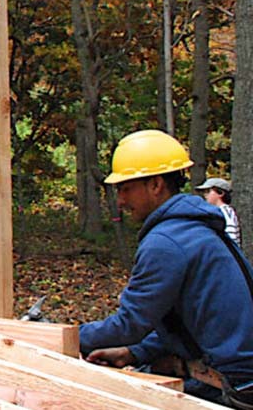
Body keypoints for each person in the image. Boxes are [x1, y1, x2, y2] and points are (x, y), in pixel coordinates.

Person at [80, 130, 253, 407]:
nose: (121, 201)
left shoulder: (167, 242)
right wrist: (133, 353)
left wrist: (66, 336)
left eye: (125, 189)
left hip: (234, 386)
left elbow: (130, 323)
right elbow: (187, 321)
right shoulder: (193, 230)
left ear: (156, 184)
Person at [197, 177, 242, 246]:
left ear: (220, 193)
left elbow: (231, 240)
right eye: (204, 192)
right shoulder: (217, 211)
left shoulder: (225, 211)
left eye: (208, 191)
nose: (205, 194)